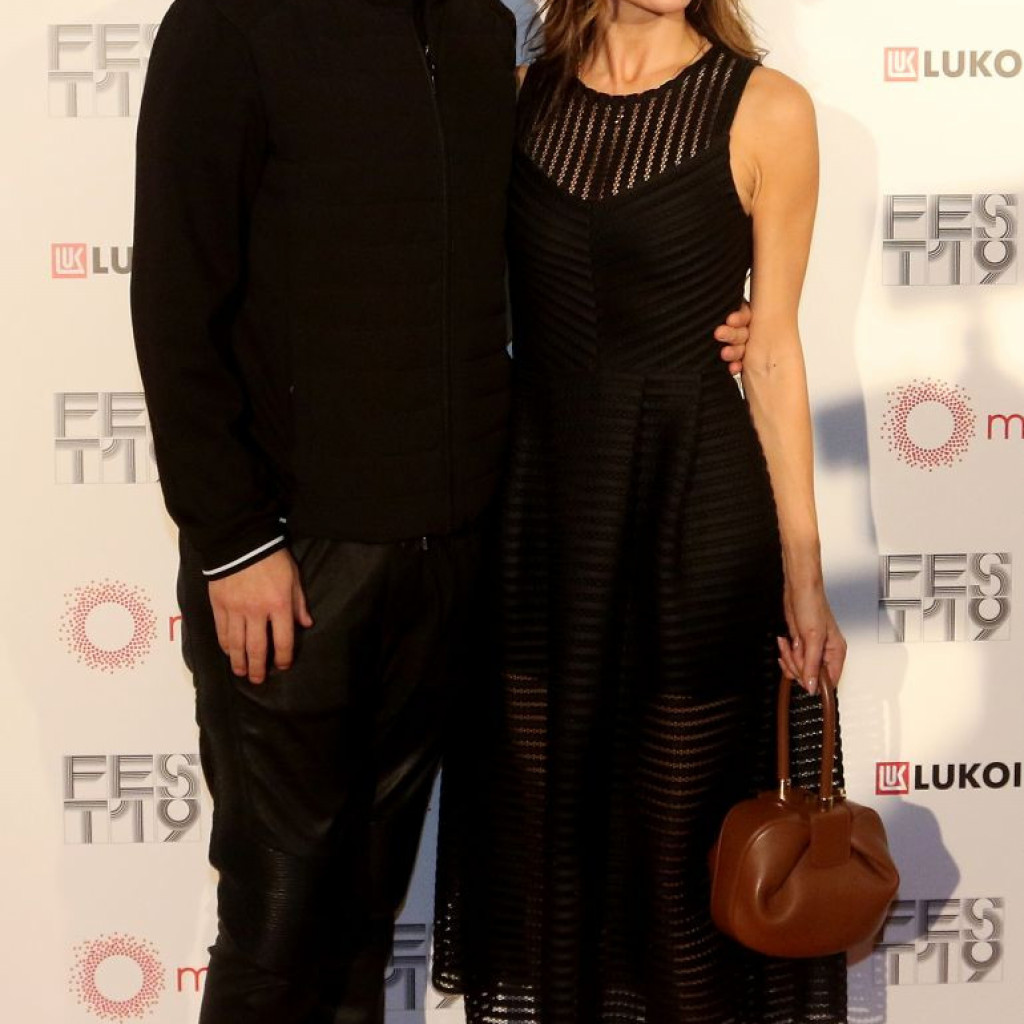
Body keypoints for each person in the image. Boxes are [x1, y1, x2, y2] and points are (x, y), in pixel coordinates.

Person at [129, 0, 751, 1021]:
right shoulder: (228, 23)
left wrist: (705, 306)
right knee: (278, 928)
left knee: (364, 922)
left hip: (452, 550)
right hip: (294, 555)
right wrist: (233, 541)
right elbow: (173, 299)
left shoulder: (475, 26)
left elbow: (556, 233)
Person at [431, 1, 849, 1023]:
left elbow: (774, 349)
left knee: (679, 842)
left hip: (691, 503)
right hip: (539, 510)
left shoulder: (766, 110)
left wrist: (805, 575)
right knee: (545, 835)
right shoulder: (515, 101)